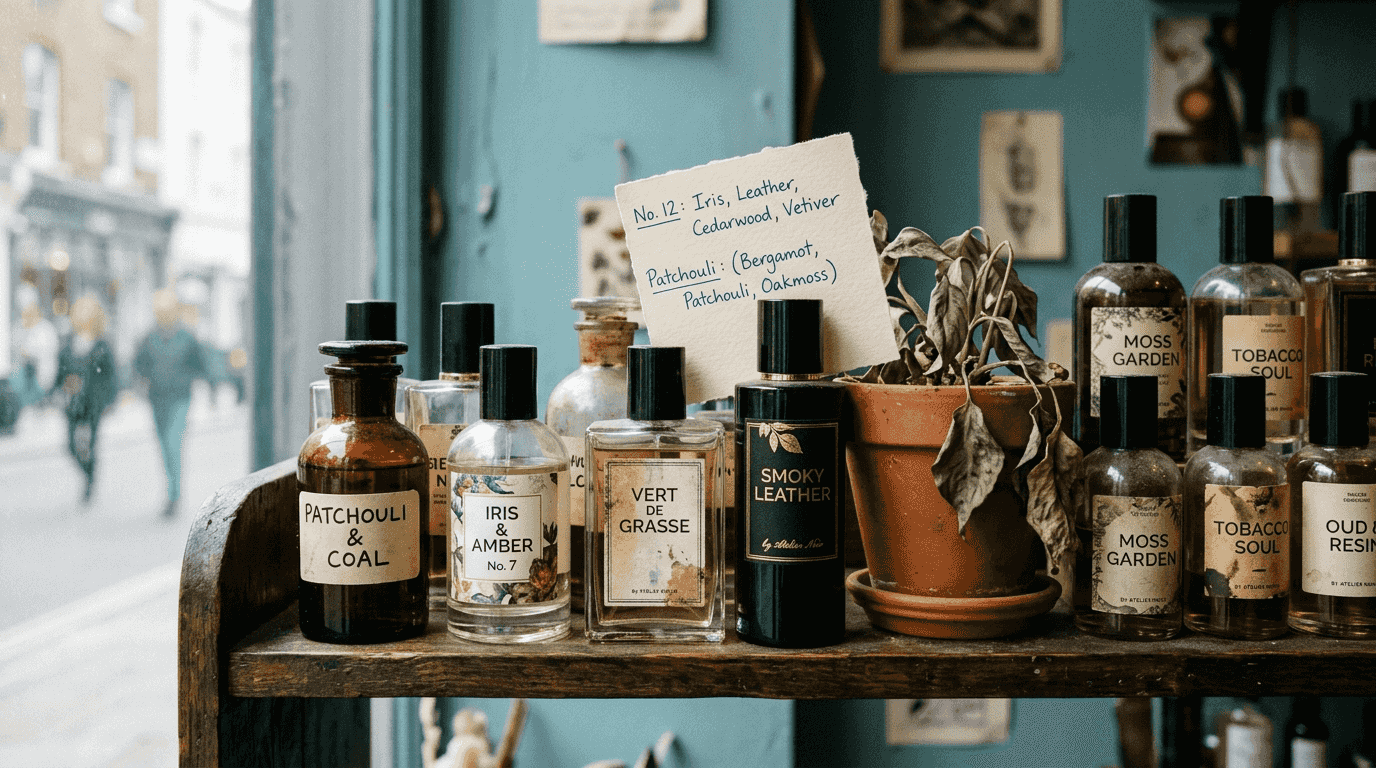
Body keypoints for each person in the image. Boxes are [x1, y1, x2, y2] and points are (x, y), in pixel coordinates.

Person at [135, 289, 206, 518]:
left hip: (180, 398)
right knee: (164, 446)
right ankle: (171, 485)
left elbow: (200, 365)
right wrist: (142, 380)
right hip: (157, 399)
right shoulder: (148, 337)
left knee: (174, 443)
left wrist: (188, 378)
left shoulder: (187, 337)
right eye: (159, 311)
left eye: (167, 310)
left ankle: (173, 493)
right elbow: (139, 364)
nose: (163, 315)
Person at [52, 294, 117, 504]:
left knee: (90, 443)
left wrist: (111, 400)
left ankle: (90, 480)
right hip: (72, 403)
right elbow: (59, 373)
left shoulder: (102, 345)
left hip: (94, 403)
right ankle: (87, 472)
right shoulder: (68, 344)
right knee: (71, 445)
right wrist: (52, 392)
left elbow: (111, 375)